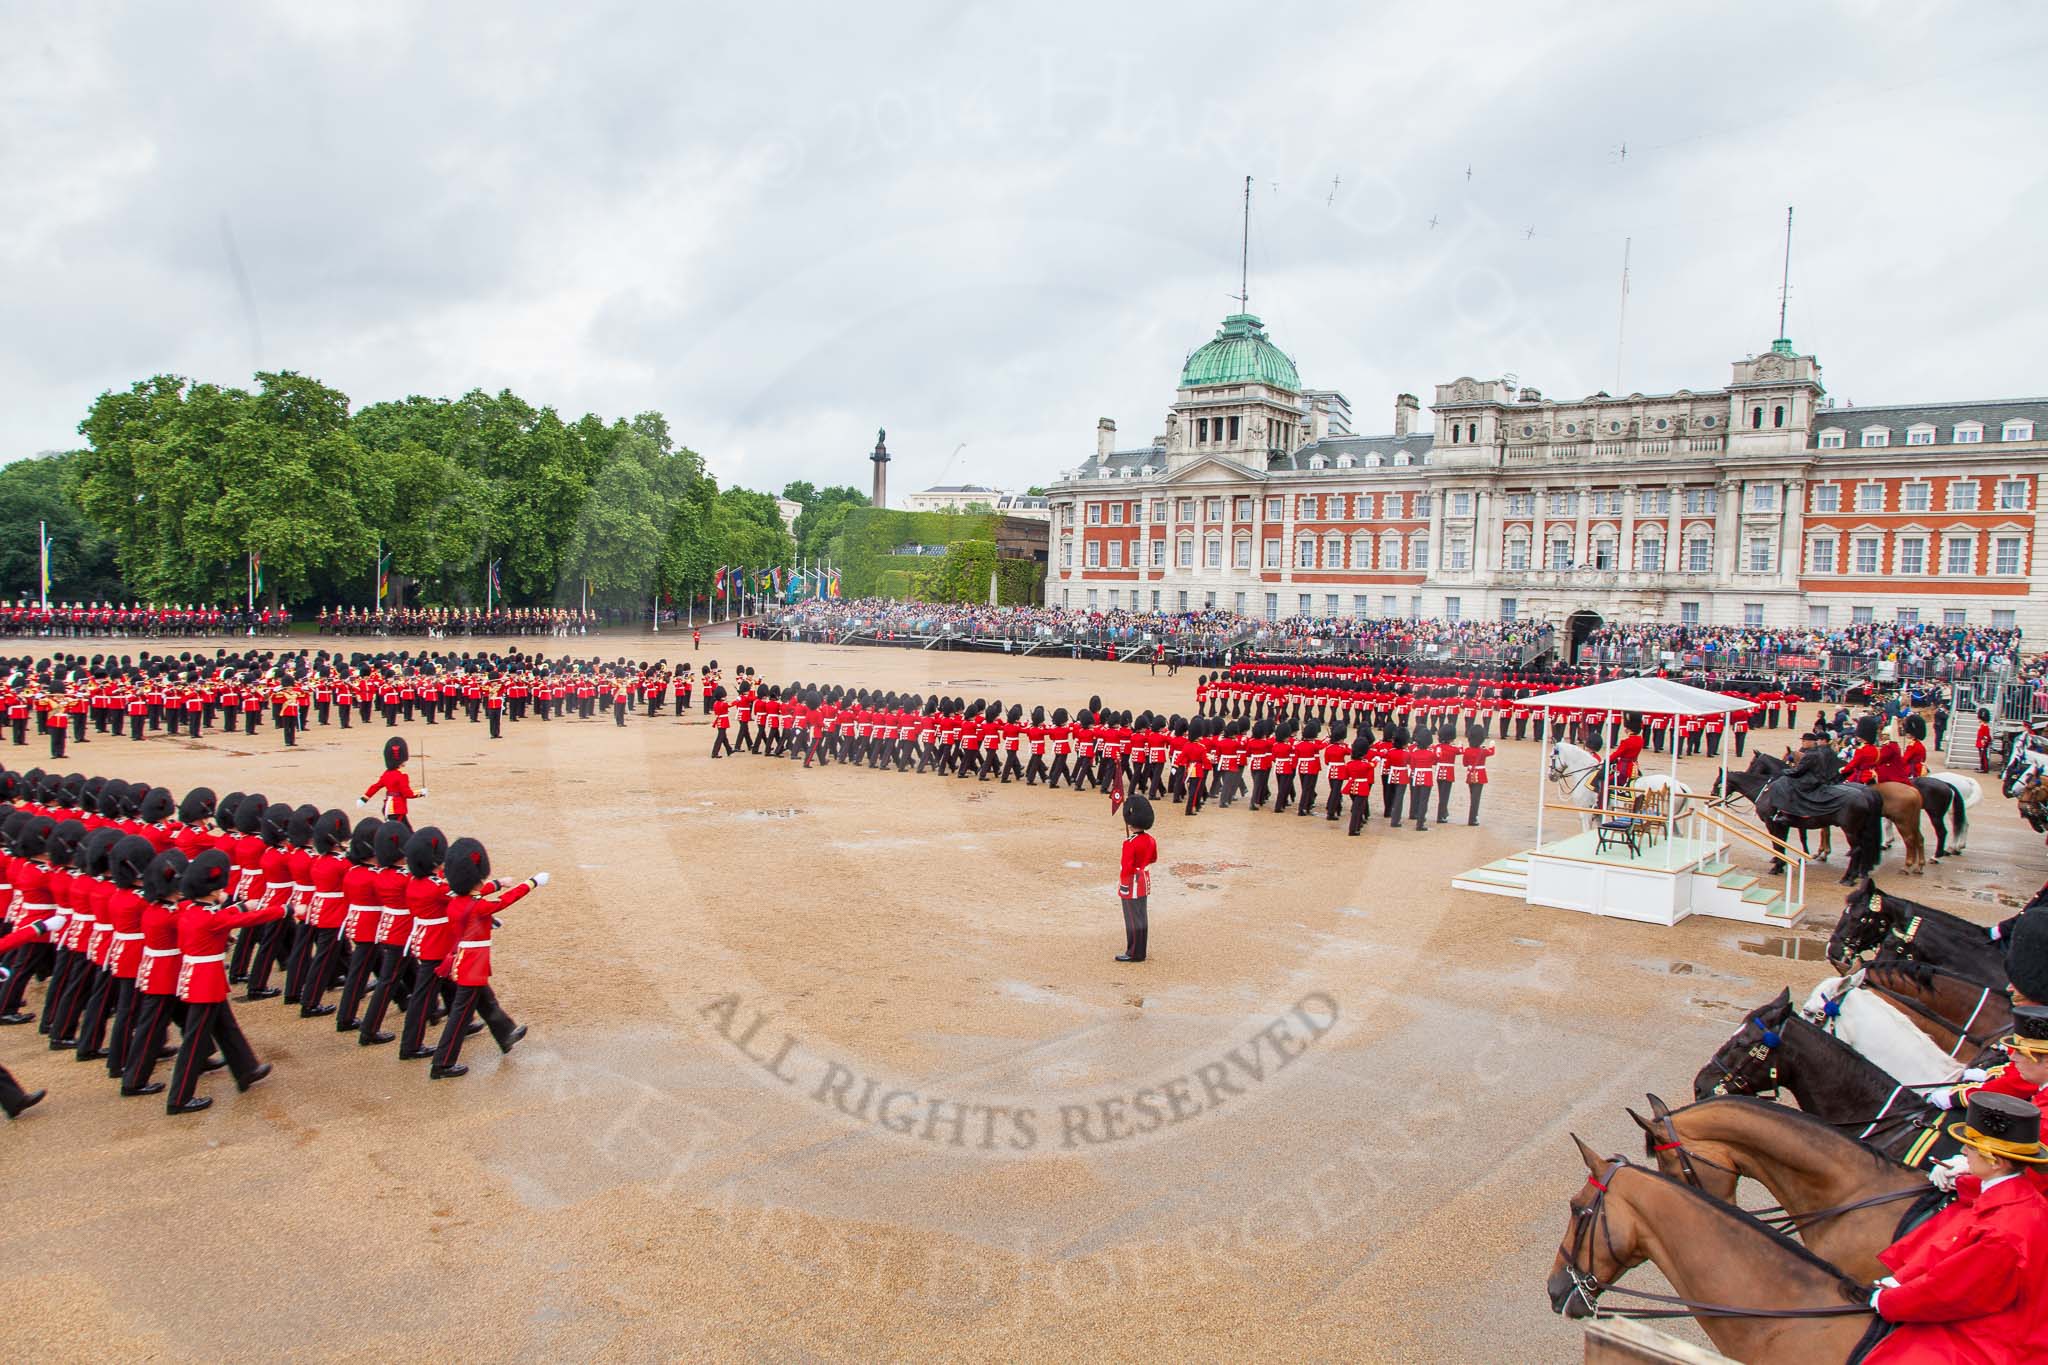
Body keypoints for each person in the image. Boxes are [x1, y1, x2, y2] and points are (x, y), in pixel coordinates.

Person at [1864, 1091, 2048, 1362]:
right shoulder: (2015, 1199)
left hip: (2005, 1340)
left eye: (1970, 1148)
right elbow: (1952, 1248)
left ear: (1996, 1162)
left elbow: (1949, 1291)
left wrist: (1888, 1302)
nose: (1963, 1152)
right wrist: (1902, 1279)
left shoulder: (2003, 1232)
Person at [164, 849, 285, 1115]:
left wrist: (240, 905)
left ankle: (245, 1069)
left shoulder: (189, 908)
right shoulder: (208, 917)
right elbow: (242, 920)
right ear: (210, 892)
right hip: (204, 982)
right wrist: (283, 909)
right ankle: (179, 1097)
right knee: (194, 1042)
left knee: (226, 1026)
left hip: (204, 978)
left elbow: (224, 917)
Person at [428, 838, 545, 1079]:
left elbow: (476, 901)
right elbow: (505, 901)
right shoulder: (476, 907)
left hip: (467, 961)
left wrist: (494, 891)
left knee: (486, 1001)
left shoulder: (456, 902)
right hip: (472, 964)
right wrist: (531, 883)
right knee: (460, 1017)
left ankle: (506, 1035)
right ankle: (442, 1063)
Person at [1116, 794, 1156, 964]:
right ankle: (1140, 950)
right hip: (1144, 881)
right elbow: (1153, 858)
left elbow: (1126, 868)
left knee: (1132, 918)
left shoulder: (1130, 843)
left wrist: (1123, 885)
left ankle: (1133, 953)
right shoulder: (1150, 840)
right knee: (1141, 917)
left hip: (1131, 884)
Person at [360, 736, 424, 827]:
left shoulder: (386, 774)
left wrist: (364, 799)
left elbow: (375, 787)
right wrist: (421, 792)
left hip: (387, 807)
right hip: (397, 810)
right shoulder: (402, 776)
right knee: (405, 833)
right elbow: (408, 794)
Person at [1977, 708, 1993, 774]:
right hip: (1980, 743)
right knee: (1982, 756)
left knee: (1983, 757)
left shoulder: (1985, 727)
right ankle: (1982, 767)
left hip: (1982, 743)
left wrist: (1984, 742)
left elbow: (1986, 736)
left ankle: (1984, 768)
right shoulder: (1983, 726)